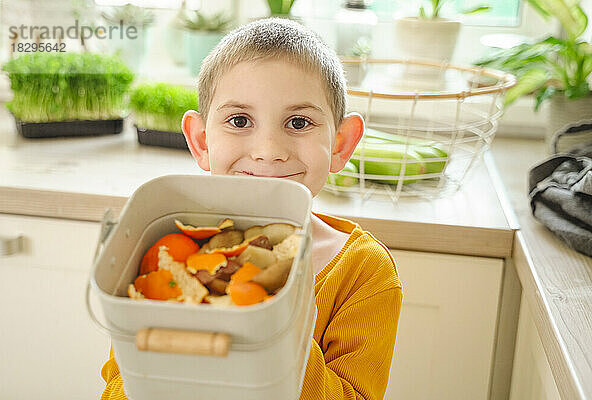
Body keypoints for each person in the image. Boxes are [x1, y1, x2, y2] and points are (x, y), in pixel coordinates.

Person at [101, 17, 402, 400]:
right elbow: (117, 388)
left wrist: (282, 315)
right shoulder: (163, 252)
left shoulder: (362, 271)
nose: (268, 150)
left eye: (298, 121)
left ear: (341, 144)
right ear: (201, 141)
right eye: (240, 120)